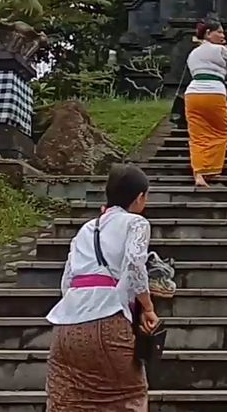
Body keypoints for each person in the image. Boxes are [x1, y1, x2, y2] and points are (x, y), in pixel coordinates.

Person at [46, 164, 158, 411]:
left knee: (68, 401)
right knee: (128, 397)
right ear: (139, 197)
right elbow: (135, 266)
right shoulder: (136, 223)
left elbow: (67, 280)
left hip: (66, 328)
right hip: (107, 322)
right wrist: (148, 307)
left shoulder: (87, 228)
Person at [185, 20, 227, 187]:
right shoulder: (221, 50)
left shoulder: (193, 53)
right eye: (219, 32)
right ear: (207, 33)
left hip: (192, 93)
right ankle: (212, 169)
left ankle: (199, 173)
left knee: (197, 135)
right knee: (221, 132)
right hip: (214, 92)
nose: (222, 35)